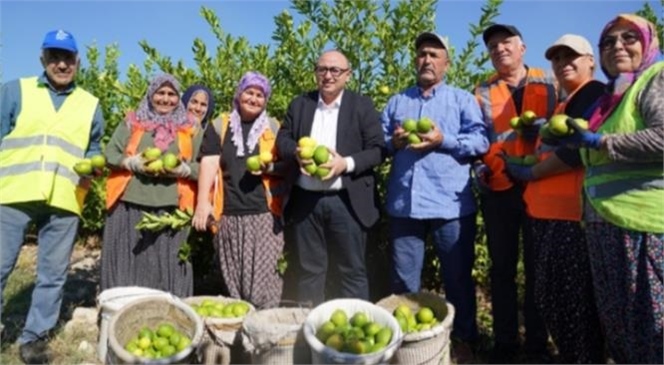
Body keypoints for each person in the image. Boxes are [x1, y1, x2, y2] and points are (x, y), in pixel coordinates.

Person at [552, 14, 663, 364]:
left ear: (648, 42)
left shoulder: (654, 78)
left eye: (629, 38)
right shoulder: (612, 97)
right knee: (620, 325)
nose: (618, 46)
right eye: (609, 42)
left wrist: (601, 142)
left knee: (649, 322)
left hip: (643, 226)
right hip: (606, 225)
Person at [381, 32, 488, 363]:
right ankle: (408, 342)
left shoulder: (461, 100)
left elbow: (480, 142)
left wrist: (444, 140)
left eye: (433, 54)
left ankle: (463, 339)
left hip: (450, 204)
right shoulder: (398, 102)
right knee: (403, 281)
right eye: (421, 54)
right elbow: (380, 144)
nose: (426, 60)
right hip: (404, 205)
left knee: (456, 278)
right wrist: (393, 142)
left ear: (446, 63)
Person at [0, 30, 105, 364]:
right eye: (55, 56)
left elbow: (94, 148)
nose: (62, 64)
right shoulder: (15, 91)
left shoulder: (91, 105)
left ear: (77, 62)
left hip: (65, 197)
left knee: (52, 274)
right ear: (43, 59)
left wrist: (95, 167)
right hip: (13, 193)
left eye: (68, 58)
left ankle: (34, 338)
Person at [503, 34, 606, 363]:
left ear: (591, 60)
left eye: (571, 56)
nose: (563, 64)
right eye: (557, 59)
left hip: (569, 216)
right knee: (555, 298)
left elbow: (576, 153)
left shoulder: (594, 94)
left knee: (572, 302)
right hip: (548, 214)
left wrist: (531, 173)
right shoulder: (568, 100)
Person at [472, 23, 557, 363]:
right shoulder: (480, 91)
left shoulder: (550, 83)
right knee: (502, 268)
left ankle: (538, 343)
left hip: (541, 184)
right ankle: (506, 342)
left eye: (506, 42)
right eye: (493, 46)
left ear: (522, 47)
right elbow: (478, 138)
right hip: (500, 188)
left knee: (539, 268)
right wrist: (480, 169)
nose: (499, 49)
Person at [275, 50, 386, 305]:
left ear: (348, 75)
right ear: (315, 73)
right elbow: (283, 139)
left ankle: (355, 335)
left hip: (345, 201)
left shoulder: (362, 105)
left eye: (335, 70)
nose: (328, 75)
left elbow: (378, 150)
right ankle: (309, 332)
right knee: (308, 271)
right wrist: (296, 154)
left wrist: (344, 164)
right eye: (322, 69)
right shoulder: (300, 104)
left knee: (352, 270)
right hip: (306, 201)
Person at [101, 74, 202, 298]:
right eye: (160, 93)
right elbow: (110, 153)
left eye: (171, 94)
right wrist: (130, 162)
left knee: (168, 266)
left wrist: (185, 170)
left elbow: (205, 166)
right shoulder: (133, 121)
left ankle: (170, 312)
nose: (165, 99)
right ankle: (123, 312)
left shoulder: (191, 127)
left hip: (172, 206)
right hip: (129, 203)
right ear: (150, 94)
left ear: (179, 98)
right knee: (128, 262)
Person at [192, 71, 287, 309]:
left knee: (266, 281)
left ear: (266, 100)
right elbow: (209, 163)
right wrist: (203, 203)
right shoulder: (219, 125)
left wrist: (270, 168)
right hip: (228, 213)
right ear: (239, 94)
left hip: (265, 214)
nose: (254, 99)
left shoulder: (275, 127)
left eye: (259, 95)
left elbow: (289, 165)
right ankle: (238, 332)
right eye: (249, 93)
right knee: (233, 279)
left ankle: (264, 331)